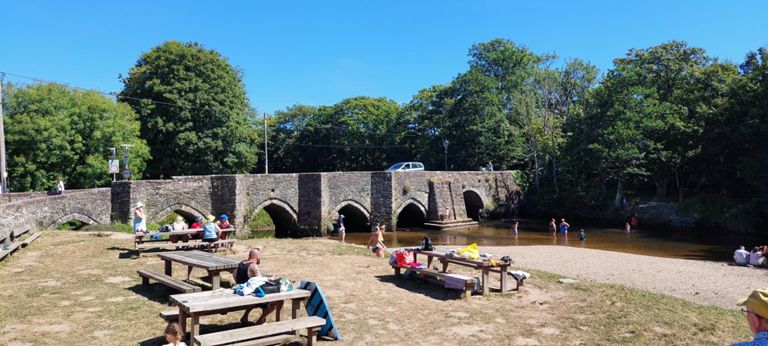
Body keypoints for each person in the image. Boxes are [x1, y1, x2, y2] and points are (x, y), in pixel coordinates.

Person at [233, 248, 283, 325]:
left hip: (242, 292)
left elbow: (234, 275)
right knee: (278, 300)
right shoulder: (253, 266)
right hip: (251, 296)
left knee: (255, 294)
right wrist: (271, 279)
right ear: (258, 257)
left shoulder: (241, 263)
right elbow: (260, 282)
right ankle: (261, 320)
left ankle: (245, 316)